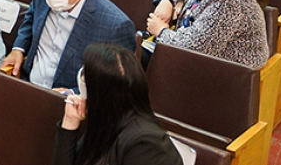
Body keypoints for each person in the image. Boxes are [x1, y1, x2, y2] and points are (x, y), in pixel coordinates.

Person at [2, 0, 137, 92]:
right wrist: (18, 48)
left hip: (72, 105)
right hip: (26, 85)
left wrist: (73, 93)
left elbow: (115, 83)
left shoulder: (115, 26)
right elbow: (33, 15)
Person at [52, 44, 183, 165]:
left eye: (86, 75)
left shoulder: (146, 143)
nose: (81, 79)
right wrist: (69, 123)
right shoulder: (105, 120)